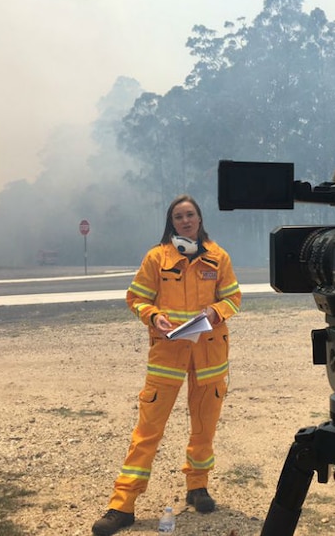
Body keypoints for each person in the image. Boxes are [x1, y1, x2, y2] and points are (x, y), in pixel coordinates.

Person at [92, 194, 242, 536]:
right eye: (179, 216)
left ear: (200, 219)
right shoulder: (156, 258)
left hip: (209, 354)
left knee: (204, 426)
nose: (185, 221)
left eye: (190, 215)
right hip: (168, 356)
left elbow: (233, 297)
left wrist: (215, 311)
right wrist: (154, 317)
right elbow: (137, 297)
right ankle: (122, 505)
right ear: (171, 223)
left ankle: (198, 487)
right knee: (147, 431)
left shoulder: (218, 257)